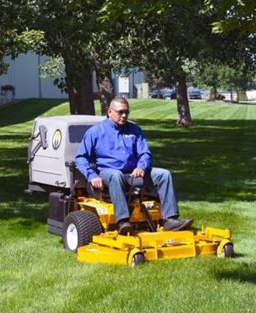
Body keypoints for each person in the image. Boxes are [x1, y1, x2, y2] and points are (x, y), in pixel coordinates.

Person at [75, 97, 193, 235]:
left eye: (127, 112)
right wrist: (92, 175)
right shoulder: (95, 132)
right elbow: (81, 158)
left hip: (133, 174)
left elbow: (145, 154)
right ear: (109, 112)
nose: (124, 116)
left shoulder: (134, 130)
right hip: (108, 173)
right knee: (115, 174)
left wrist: (141, 167)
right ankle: (123, 222)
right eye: (120, 112)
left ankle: (169, 220)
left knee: (164, 174)